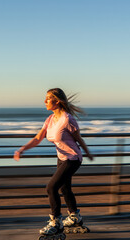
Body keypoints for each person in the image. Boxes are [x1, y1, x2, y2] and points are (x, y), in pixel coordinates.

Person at [14, 88, 93, 236]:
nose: (45, 101)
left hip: (73, 158)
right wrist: (22, 149)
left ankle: (56, 222)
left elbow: (78, 138)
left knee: (51, 187)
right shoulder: (50, 120)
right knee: (64, 188)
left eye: (48, 98)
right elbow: (38, 138)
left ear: (57, 101)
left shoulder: (68, 119)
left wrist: (88, 153)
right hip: (61, 158)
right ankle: (75, 217)